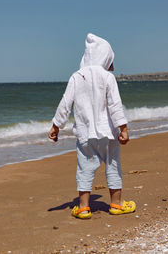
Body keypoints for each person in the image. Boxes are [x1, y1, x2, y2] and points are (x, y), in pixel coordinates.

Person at [48, 33, 136, 218]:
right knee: (113, 166)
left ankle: (83, 207)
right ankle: (116, 204)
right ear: (104, 58)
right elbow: (115, 105)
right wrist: (124, 128)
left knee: (84, 169)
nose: (112, 65)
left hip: (85, 134)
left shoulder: (76, 77)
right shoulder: (108, 77)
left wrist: (56, 126)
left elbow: (65, 103)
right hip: (109, 134)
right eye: (110, 59)